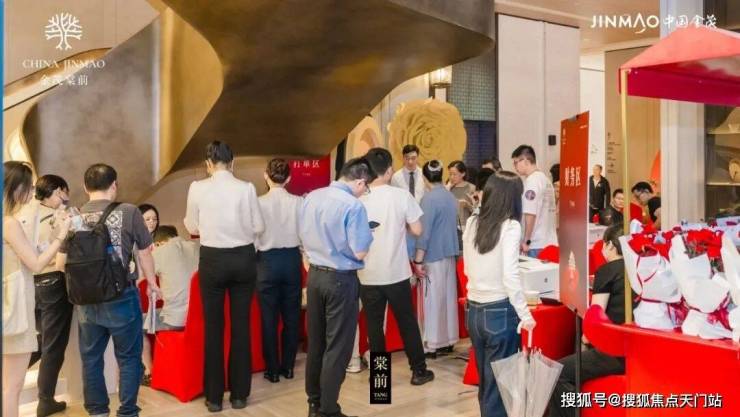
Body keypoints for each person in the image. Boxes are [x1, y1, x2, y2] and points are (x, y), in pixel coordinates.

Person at [57, 163, 161, 417]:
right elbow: (145, 252)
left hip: (86, 301)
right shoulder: (129, 211)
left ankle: (97, 412)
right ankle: (127, 411)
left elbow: (61, 264)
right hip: (121, 296)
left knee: (91, 358)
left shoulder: (73, 217)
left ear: (85, 187)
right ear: (114, 185)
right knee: (128, 357)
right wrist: (152, 284)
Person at [184, 141, 264, 412]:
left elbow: (191, 225)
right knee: (241, 327)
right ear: (233, 162)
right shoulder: (246, 188)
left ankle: (214, 398)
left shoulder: (197, 187)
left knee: (214, 329)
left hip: (213, 259)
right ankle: (239, 396)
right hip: (243, 258)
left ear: (208, 163)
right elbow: (258, 225)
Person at [299, 157, 376, 417]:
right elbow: (360, 250)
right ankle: (329, 409)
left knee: (317, 343)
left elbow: (303, 239)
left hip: (315, 277)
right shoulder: (353, 206)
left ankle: (314, 403)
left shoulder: (312, 197)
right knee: (338, 347)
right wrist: (369, 235)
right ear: (360, 181)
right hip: (341, 280)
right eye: (365, 187)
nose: (364, 192)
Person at [463, 170, 537, 417]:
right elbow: (510, 276)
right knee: (499, 386)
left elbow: (467, 267)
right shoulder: (511, 226)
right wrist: (525, 315)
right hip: (499, 312)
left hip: (474, 310)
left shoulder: (473, 222)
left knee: (487, 383)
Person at [358, 148, 435, 386]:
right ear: (390, 170)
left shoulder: (358, 199)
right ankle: (419, 371)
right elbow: (418, 230)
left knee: (374, 326)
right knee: (406, 322)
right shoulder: (401, 196)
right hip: (396, 272)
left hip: (367, 273)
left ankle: (380, 379)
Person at [3, 162, 71, 417]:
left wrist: (50, 239)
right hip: (15, 309)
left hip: (11, 305)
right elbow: (36, 263)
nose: (33, 192)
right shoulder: (9, 222)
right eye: (29, 187)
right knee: (12, 387)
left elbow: (29, 253)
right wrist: (61, 235)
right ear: (15, 188)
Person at [549, 225, 631, 417]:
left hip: (614, 351)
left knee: (557, 372)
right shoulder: (638, 269)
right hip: (638, 349)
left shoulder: (607, 271)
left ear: (610, 246)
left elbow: (595, 322)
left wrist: (585, 339)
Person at [25, 175, 74, 417]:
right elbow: (62, 253)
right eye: (64, 192)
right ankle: (45, 401)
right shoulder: (59, 216)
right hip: (54, 281)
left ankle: (10, 375)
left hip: (31, 284)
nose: (66, 197)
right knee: (53, 345)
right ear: (58, 190)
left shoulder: (25, 213)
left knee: (39, 340)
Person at [255, 158, 303, 383]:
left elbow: (253, 237)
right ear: (289, 178)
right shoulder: (299, 202)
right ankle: (288, 367)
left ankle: (272, 370)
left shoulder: (258, 203)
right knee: (292, 317)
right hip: (292, 259)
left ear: (266, 176)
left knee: (269, 319)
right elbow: (304, 234)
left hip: (266, 261)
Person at [141, 225, 199, 384]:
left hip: (176, 320)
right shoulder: (196, 247)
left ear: (159, 243)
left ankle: (150, 372)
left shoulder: (160, 252)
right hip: (199, 317)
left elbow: (139, 276)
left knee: (135, 323)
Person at [413, 160, 459, 357]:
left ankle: (431, 344)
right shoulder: (450, 196)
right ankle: (448, 340)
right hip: (449, 254)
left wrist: (418, 260)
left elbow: (424, 234)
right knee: (447, 299)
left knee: (431, 300)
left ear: (424, 178)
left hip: (432, 255)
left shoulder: (428, 199)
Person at [511, 145, 558, 257]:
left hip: (535, 244)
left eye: (516, 162)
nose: (514, 167)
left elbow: (530, 214)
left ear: (525, 161)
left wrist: (526, 241)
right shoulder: (545, 179)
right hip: (549, 242)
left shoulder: (532, 181)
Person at [446, 160, 476, 241]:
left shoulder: (471, 188)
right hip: (449, 227)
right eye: (450, 174)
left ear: (463, 174)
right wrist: (447, 189)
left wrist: (467, 205)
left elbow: (476, 211)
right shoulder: (448, 188)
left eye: (454, 174)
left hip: (465, 228)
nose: (452, 177)